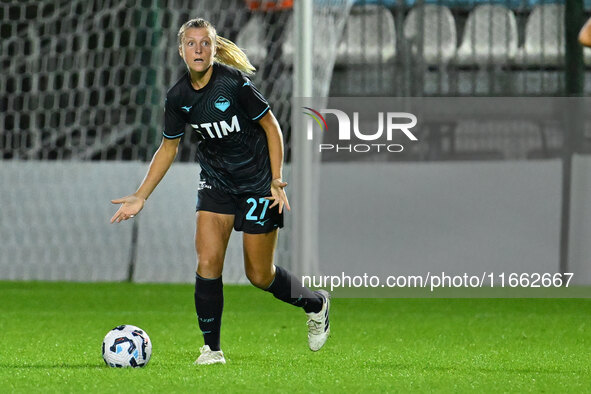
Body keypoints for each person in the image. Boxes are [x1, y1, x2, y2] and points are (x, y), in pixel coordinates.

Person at [110, 17, 330, 365]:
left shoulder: (233, 84)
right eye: (191, 44)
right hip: (216, 182)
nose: (198, 49)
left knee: (260, 275)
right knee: (208, 261)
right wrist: (141, 195)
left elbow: (272, 126)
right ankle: (212, 350)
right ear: (181, 50)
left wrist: (275, 178)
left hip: (258, 182)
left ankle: (315, 304)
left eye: (205, 43)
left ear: (214, 49)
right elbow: (168, 147)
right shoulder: (178, 97)